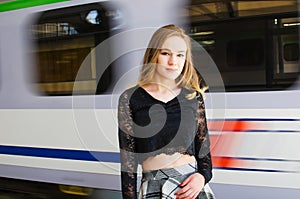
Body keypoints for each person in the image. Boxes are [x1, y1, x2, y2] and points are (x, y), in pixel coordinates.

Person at [118, 24, 214, 199]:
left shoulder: (193, 97)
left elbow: (204, 151)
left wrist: (202, 177)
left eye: (180, 55)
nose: (173, 62)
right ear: (153, 55)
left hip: (191, 187)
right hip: (154, 187)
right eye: (165, 53)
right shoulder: (130, 98)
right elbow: (128, 164)